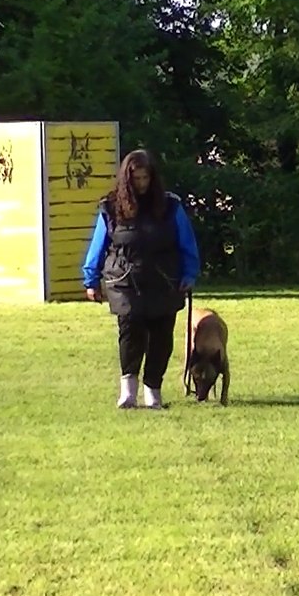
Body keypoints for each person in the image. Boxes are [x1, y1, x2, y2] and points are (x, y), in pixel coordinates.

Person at [81, 149, 200, 409]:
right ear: (127, 179)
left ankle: (153, 393)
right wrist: (90, 280)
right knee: (130, 332)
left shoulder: (171, 206)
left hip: (164, 280)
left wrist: (190, 273)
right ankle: (128, 393)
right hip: (123, 279)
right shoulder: (110, 207)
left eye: (146, 178)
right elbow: (98, 245)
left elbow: (186, 242)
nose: (142, 184)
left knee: (161, 337)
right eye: (137, 179)